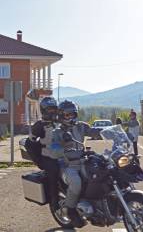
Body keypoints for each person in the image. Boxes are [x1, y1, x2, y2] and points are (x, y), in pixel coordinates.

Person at [51, 100, 101, 228]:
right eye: (67, 115)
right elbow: (54, 150)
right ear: (61, 116)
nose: (71, 117)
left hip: (84, 162)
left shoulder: (80, 126)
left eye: (72, 114)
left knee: (102, 172)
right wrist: (66, 151)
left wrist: (112, 132)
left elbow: (94, 131)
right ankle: (71, 210)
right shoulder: (57, 133)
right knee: (76, 182)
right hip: (68, 166)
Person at [26, 96, 60, 210]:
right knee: (54, 174)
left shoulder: (60, 122)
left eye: (54, 109)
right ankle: (55, 203)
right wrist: (39, 161)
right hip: (49, 158)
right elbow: (29, 144)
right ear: (43, 110)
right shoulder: (39, 125)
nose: (52, 112)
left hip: (64, 155)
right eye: (49, 110)